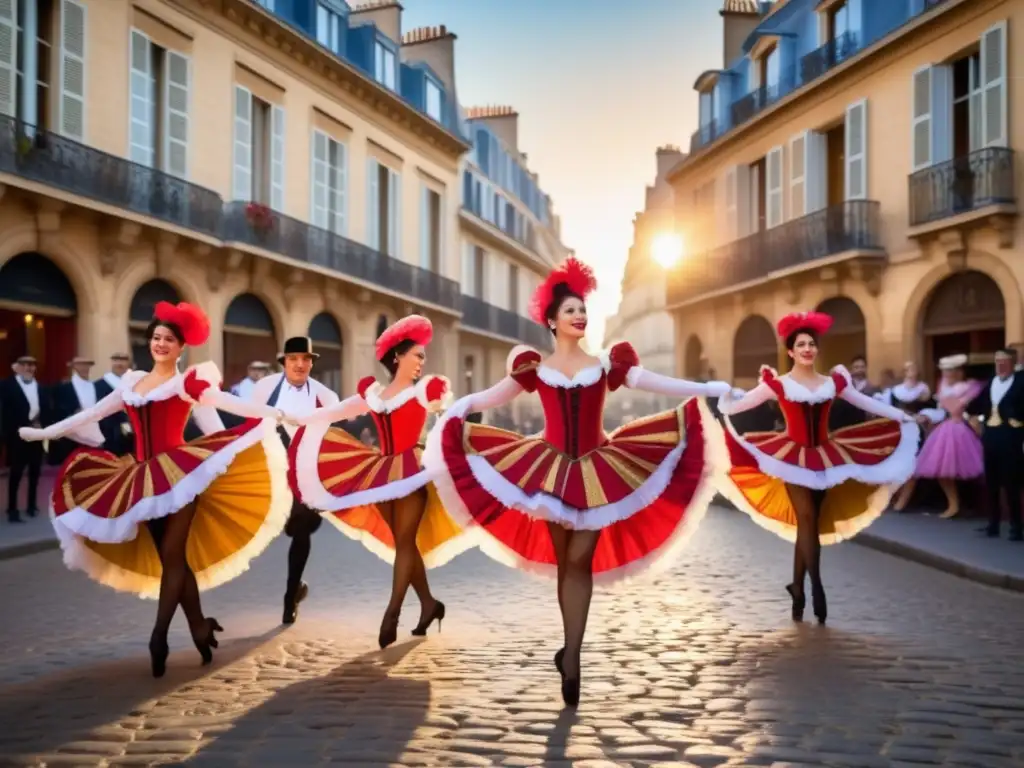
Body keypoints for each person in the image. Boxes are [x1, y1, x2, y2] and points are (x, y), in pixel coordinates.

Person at [422, 257, 730, 707]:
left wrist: (710, 390)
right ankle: (569, 647)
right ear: (551, 320)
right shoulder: (533, 368)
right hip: (547, 472)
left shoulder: (609, 363)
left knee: (580, 560)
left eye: (583, 309)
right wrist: (452, 409)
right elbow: (489, 396)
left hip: (600, 470)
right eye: (570, 311)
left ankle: (573, 660)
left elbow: (659, 383)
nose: (580, 315)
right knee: (566, 562)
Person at [18, 302, 293, 677]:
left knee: (174, 556)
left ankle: (159, 635)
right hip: (139, 482)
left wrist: (272, 414)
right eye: (156, 338)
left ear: (182, 348)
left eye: (169, 340)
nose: (161, 344)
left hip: (179, 476)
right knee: (172, 561)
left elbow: (228, 404)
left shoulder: (187, 383)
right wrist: (46, 433)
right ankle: (199, 625)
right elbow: (92, 414)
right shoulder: (131, 382)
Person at [716, 311, 919, 625]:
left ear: (816, 349)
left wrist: (901, 415)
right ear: (791, 352)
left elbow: (866, 403)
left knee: (807, 525)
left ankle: (797, 587)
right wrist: (725, 394)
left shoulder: (833, 382)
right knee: (807, 517)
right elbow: (738, 405)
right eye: (801, 344)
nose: (808, 349)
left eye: (812, 344)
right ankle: (817, 586)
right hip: (790, 458)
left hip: (827, 457)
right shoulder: (778, 384)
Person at [290, 316, 471, 649]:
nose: (421, 363)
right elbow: (338, 412)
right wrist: (299, 419)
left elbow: (449, 412)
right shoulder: (373, 393)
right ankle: (430, 605)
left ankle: (392, 612)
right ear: (398, 356)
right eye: (417, 355)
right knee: (405, 545)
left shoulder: (423, 390)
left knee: (404, 541)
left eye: (423, 358)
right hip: (380, 474)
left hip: (413, 472)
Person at [245, 336, 339, 624]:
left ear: (312, 363)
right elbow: (251, 425)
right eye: (293, 359)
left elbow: (330, 435)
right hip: (270, 468)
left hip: (304, 473)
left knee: (301, 530)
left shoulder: (325, 396)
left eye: (305, 359)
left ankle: (290, 595)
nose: (300, 364)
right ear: (284, 362)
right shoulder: (265, 388)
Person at [894, 355, 982, 517]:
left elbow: (964, 408)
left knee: (962, 470)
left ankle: (967, 506)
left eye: (950, 371)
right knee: (943, 471)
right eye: (945, 371)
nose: (947, 374)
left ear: (958, 372)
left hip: (960, 429)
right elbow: (941, 409)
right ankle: (953, 504)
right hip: (945, 428)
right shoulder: (942, 386)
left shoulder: (966, 387)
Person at [966, 349, 1024, 541]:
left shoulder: (1021, 381)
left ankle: (1016, 527)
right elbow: (974, 406)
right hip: (991, 436)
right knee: (991, 482)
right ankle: (993, 523)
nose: (1000, 365)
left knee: (1011, 483)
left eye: (1005, 361)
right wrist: (975, 418)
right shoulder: (991, 382)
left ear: (1013, 363)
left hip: (1012, 436)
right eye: (997, 361)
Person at [1, 356, 48, 522]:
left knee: (35, 472)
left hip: (36, 435)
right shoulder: (6, 386)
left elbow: (46, 409)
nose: (29, 368)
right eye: (25, 365)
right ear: (17, 367)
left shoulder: (40, 387)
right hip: (17, 437)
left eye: (32, 365)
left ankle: (31, 506)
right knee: (16, 473)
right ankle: (12, 510)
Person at [48, 357, 100, 466]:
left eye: (86, 365)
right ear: (74, 367)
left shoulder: (96, 386)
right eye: (80, 365)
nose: (84, 368)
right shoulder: (63, 388)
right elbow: (56, 410)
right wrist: (73, 413)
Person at [94, 353, 134, 456]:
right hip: (110, 434)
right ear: (112, 363)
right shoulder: (99, 385)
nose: (120, 364)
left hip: (133, 433)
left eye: (123, 360)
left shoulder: (135, 383)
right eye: (116, 360)